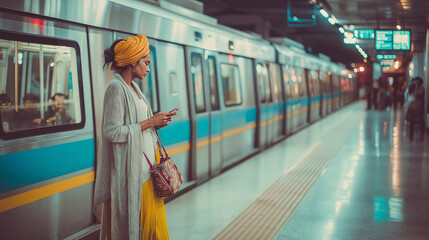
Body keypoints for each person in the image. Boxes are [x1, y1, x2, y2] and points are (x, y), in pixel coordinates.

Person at [93, 35, 177, 239]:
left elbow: (136, 125)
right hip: (135, 176)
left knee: (155, 230)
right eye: (146, 63)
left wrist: (157, 122)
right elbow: (111, 132)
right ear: (132, 61)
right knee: (149, 230)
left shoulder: (133, 88)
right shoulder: (116, 88)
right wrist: (149, 122)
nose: (148, 69)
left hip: (147, 171)